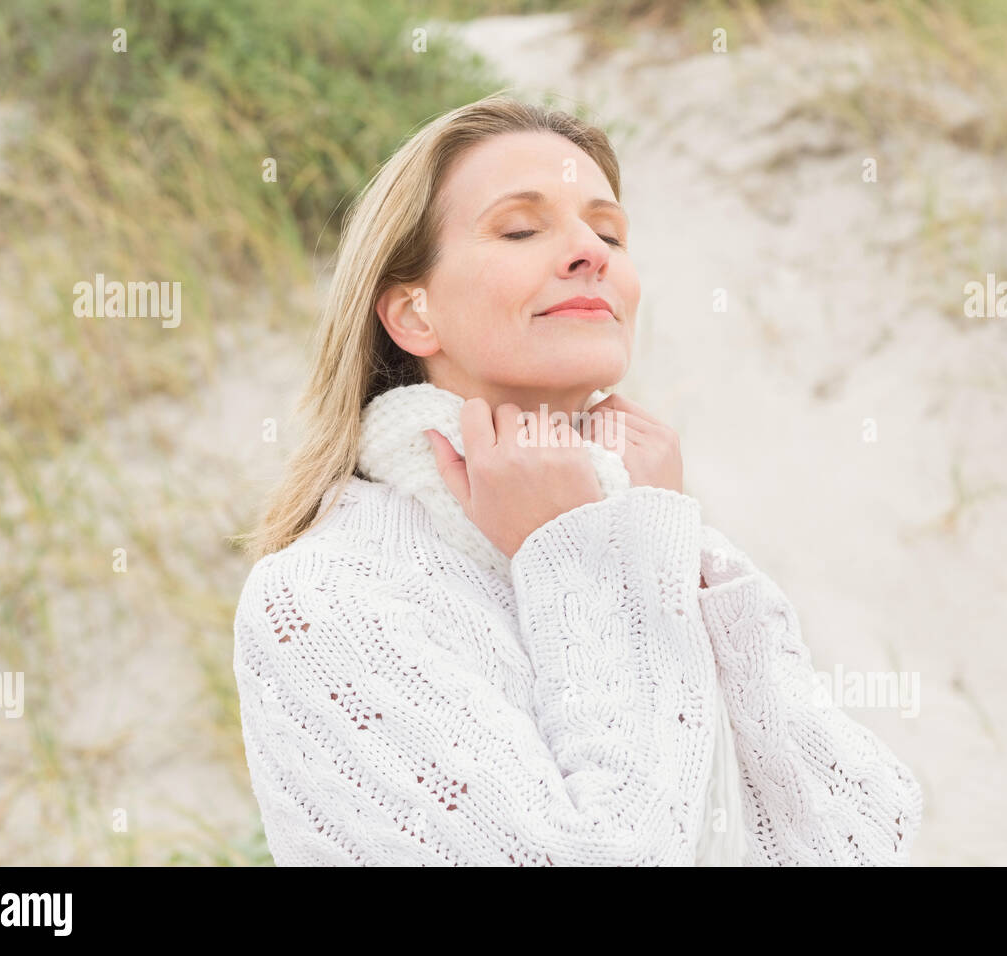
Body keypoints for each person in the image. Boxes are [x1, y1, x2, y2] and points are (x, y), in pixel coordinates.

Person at [232, 92, 922, 866]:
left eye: (609, 230)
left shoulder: (650, 533)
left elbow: (868, 840)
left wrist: (675, 552)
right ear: (414, 314)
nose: (588, 251)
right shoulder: (328, 596)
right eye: (522, 228)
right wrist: (586, 553)